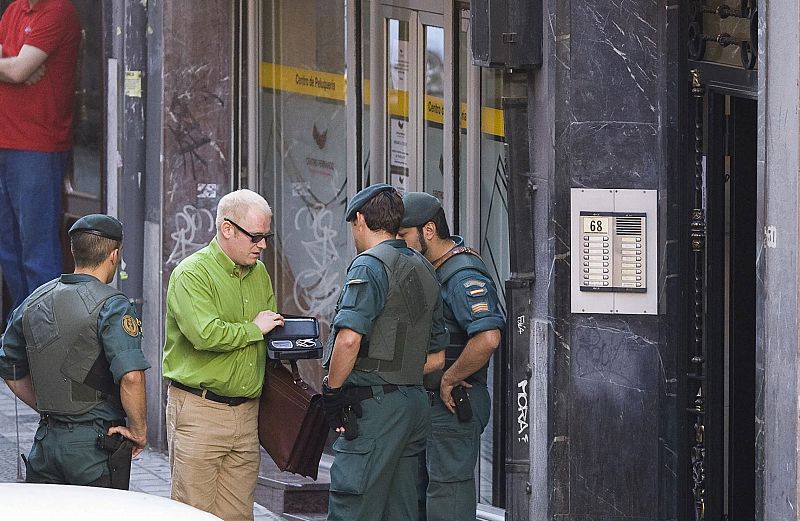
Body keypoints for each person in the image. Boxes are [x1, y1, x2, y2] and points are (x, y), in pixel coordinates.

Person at [321, 183, 449, 521]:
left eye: (352, 226)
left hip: (374, 409)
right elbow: (438, 355)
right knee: (402, 510)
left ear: (360, 219)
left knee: (354, 506)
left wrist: (332, 391)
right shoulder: (424, 267)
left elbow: (349, 340)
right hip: (412, 405)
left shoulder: (369, 265)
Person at [0, 214, 149, 488]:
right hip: (94, 446)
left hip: (46, 443)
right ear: (114, 255)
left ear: (74, 250)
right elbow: (131, 376)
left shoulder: (34, 299)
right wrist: (138, 432)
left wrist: (49, 406)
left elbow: (9, 368)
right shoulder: (113, 305)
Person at [162, 189, 284, 521]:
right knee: (193, 512)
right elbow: (204, 333)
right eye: (256, 237)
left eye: (266, 237)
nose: (263, 246)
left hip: (246, 413)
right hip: (201, 410)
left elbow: (269, 326)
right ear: (226, 229)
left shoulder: (258, 272)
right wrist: (254, 329)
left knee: (239, 514)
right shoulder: (191, 273)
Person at [398, 192, 505, 521]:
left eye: (403, 236)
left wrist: (450, 378)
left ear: (428, 230)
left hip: (454, 402)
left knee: (448, 499)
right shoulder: (433, 268)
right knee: (422, 498)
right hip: (428, 405)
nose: (399, 245)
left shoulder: (462, 274)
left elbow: (487, 338)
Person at [0, 0, 82, 310]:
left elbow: (20, 70)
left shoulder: (58, 11)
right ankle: (22, 333)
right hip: (6, 143)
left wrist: (15, 67)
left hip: (37, 148)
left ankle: (47, 338)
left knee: (37, 251)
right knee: (9, 249)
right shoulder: (14, 9)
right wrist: (11, 67)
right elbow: (16, 67)